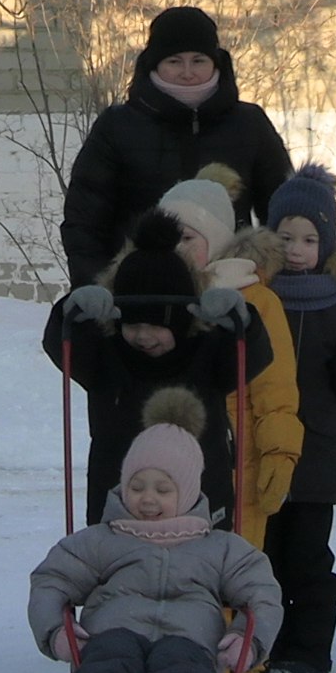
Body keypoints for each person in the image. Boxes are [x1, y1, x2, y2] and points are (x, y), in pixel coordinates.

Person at [28, 387, 283, 673]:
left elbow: (262, 592)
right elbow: (51, 580)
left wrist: (250, 640)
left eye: (163, 490)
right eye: (137, 487)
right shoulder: (103, 539)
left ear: (188, 492)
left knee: (182, 666)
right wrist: (55, 632)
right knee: (106, 663)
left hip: (190, 639)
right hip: (113, 632)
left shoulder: (219, 547)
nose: (148, 499)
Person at [44, 209, 274, 528]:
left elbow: (254, 357)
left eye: (156, 326)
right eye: (132, 324)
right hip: (118, 510)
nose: (142, 336)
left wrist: (243, 322)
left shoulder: (208, 353)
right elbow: (65, 347)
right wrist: (69, 314)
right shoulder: (104, 358)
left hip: (201, 511)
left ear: (182, 321)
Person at [59, 5, 294, 289]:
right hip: (138, 289)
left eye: (198, 60)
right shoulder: (117, 126)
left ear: (216, 62)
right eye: (174, 61)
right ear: (154, 64)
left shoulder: (249, 123)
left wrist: (278, 279)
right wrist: (97, 287)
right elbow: (85, 219)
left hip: (232, 284)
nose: (187, 72)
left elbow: (282, 209)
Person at [257, 163, 336, 673]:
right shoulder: (257, 297)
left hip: (318, 449)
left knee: (308, 557)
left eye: (309, 238)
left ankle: (308, 654)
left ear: (325, 242)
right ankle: (261, 650)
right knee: (261, 555)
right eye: (286, 237)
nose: (298, 248)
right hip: (261, 444)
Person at [156, 165, 301, 550]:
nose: (177, 249)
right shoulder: (155, 299)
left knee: (228, 572)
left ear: (216, 239)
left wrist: (279, 452)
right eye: (168, 239)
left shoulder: (255, 300)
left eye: (187, 237)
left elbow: (276, 389)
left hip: (239, 460)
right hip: (165, 461)